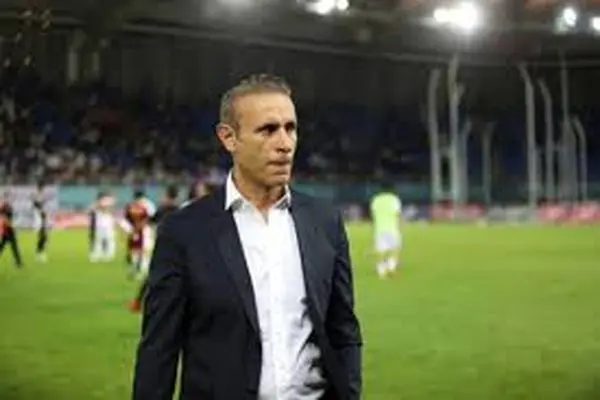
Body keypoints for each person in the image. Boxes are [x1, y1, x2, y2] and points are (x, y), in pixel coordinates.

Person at [133, 74, 362, 400]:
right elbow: (159, 351)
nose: (285, 143)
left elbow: (343, 329)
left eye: (291, 128)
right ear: (229, 138)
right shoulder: (184, 231)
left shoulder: (324, 221)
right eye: (268, 130)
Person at [129, 185, 180, 312]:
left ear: (167, 196)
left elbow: (150, 221)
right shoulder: (180, 210)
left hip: (164, 246)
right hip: (178, 247)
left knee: (153, 274)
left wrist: (137, 227)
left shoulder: (162, 210)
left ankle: (138, 301)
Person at [369, 180, 403, 278]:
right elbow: (397, 214)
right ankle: (391, 266)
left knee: (381, 250)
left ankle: (381, 269)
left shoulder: (376, 200)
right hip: (392, 228)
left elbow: (373, 214)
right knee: (395, 248)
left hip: (379, 228)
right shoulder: (394, 199)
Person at [122, 189, 156, 278]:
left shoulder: (148, 205)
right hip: (136, 229)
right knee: (136, 249)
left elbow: (151, 218)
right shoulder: (133, 206)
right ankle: (137, 268)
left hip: (145, 229)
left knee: (145, 249)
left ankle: (142, 268)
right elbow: (127, 218)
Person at [89, 191, 118, 263]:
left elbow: (110, 209)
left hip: (109, 225)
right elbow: (91, 210)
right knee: (98, 240)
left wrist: (107, 204)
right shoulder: (96, 204)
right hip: (99, 225)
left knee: (110, 240)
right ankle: (97, 255)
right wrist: (100, 204)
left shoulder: (110, 203)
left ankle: (109, 255)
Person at [0, 193, 23, 268]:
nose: (8, 199)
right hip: (7, 229)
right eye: (6, 197)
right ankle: (18, 262)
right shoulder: (3, 207)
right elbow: (4, 218)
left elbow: (9, 217)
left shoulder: (9, 207)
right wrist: (11, 226)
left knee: (4, 246)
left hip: (8, 228)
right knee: (13, 246)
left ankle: (18, 262)